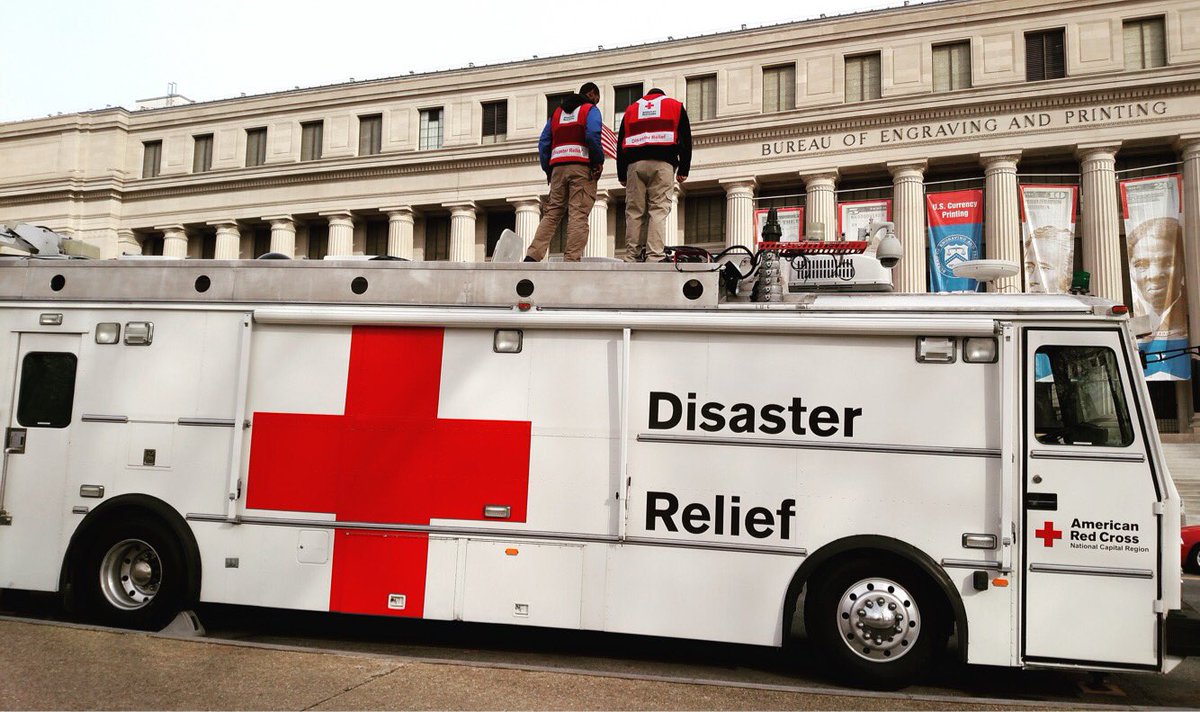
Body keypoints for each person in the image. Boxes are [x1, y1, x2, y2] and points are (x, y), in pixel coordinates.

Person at [525, 82, 604, 263]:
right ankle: (571, 260)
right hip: (581, 166)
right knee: (578, 213)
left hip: (558, 168)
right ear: (591, 94)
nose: (596, 103)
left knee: (552, 213)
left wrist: (548, 169)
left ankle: (533, 255)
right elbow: (593, 134)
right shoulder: (589, 110)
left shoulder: (557, 113)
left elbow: (544, 142)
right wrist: (598, 160)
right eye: (596, 99)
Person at [617, 88, 692, 263]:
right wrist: (683, 169)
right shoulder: (675, 106)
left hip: (635, 165)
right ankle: (654, 256)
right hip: (663, 164)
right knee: (658, 210)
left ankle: (631, 256)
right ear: (662, 95)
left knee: (634, 212)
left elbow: (620, 143)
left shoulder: (631, 110)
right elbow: (686, 139)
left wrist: (622, 173)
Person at [1128, 216, 1187, 336]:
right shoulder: (1126, 315)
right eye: (1141, 265)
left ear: (1183, 266)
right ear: (1131, 270)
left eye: (1167, 262)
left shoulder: (1193, 312)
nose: (1154, 275)